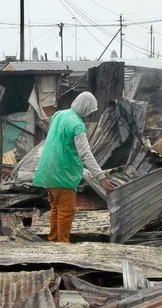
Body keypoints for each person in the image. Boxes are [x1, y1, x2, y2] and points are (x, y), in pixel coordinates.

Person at [33, 91, 114, 243]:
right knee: (66, 211)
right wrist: (101, 178)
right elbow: (86, 154)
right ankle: (63, 244)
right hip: (63, 174)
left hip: (48, 170)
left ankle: (54, 240)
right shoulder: (77, 125)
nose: (88, 116)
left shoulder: (59, 115)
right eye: (89, 111)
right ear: (85, 108)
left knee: (55, 208)